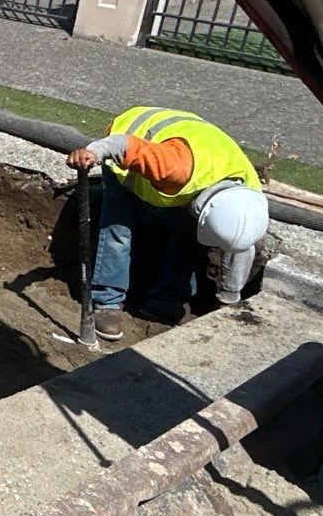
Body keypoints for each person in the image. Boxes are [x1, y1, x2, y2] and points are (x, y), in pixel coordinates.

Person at [67, 106, 268, 342]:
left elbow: (239, 247)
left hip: (192, 157)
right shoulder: (173, 167)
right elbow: (123, 145)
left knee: (187, 236)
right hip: (127, 145)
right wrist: (92, 153)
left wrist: (228, 303)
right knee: (119, 229)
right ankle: (106, 303)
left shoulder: (248, 200)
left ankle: (162, 303)